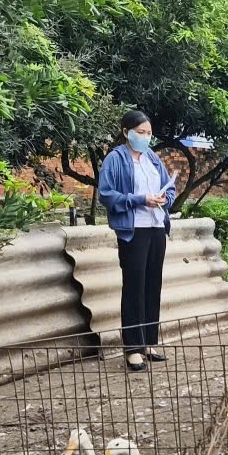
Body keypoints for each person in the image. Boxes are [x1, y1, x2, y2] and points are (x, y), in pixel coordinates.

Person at [97, 110, 176, 372]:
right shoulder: (115, 160)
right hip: (133, 230)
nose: (145, 137)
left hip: (156, 227)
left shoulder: (152, 158)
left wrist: (165, 200)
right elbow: (107, 196)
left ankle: (149, 343)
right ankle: (132, 349)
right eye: (140, 132)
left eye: (149, 133)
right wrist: (140, 199)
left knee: (153, 285)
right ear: (126, 132)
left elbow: (170, 187)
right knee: (134, 288)